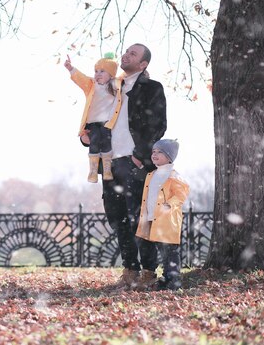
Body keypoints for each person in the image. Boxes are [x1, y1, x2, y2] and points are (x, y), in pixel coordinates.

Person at [86, 44, 167, 289]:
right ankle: (130, 270)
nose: (126, 55)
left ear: (143, 64)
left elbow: (158, 124)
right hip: (109, 162)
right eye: (126, 51)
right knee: (117, 218)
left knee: (139, 219)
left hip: (134, 162)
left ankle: (149, 272)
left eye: (133, 54)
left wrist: (141, 156)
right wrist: (85, 137)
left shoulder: (151, 88)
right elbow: (95, 115)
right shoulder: (112, 86)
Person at [135, 139, 190, 291]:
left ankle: (173, 280)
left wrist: (169, 204)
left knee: (169, 252)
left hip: (166, 219)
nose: (155, 155)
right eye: (153, 152)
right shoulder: (151, 175)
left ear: (169, 157)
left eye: (160, 152)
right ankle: (164, 278)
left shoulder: (173, 176)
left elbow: (182, 194)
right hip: (152, 217)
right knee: (153, 248)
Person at [64, 53, 122, 183]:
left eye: (102, 71)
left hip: (107, 123)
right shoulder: (91, 85)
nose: (98, 74)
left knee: (107, 144)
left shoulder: (116, 86)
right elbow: (81, 79)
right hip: (93, 123)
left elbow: (126, 79)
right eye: (96, 71)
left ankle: (107, 170)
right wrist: (71, 68)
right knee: (94, 143)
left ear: (111, 74)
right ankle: (93, 170)